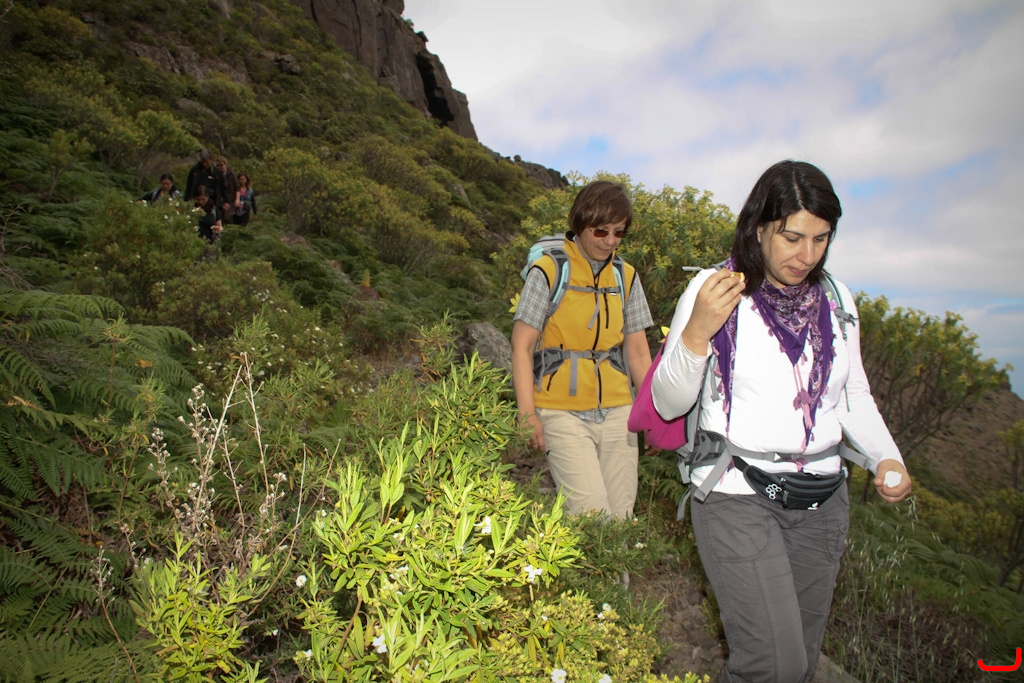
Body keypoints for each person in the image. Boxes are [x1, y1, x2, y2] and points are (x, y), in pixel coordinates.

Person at [651, 160, 912, 683]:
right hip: (735, 492)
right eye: (792, 237)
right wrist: (698, 332)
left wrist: (887, 456)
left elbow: (851, 393)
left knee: (801, 662)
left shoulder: (836, 298)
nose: (807, 255)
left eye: (821, 238)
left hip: (823, 501)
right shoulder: (714, 289)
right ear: (758, 227)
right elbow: (668, 402)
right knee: (774, 665)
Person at [511, 180, 654, 520]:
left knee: (621, 519)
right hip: (561, 412)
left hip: (619, 410)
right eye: (600, 231)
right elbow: (521, 346)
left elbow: (637, 352)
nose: (610, 241)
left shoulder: (626, 277)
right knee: (590, 516)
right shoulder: (549, 271)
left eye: (619, 233)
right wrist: (527, 414)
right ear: (580, 224)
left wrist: (651, 413)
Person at [215, 156, 240, 225]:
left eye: (221, 165)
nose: (220, 167)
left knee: (227, 217)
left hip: (230, 200)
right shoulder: (215, 175)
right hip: (219, 200)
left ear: (225, 165)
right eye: (218, 166)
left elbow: (237, 187)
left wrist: (237, 199)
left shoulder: (230, 175)